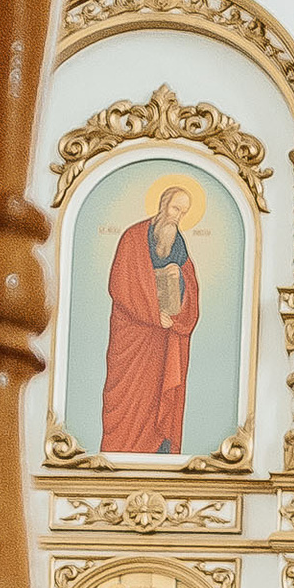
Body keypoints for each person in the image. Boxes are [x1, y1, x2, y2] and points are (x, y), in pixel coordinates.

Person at [100, 182, 202, 458]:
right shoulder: (133, 237)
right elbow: (120, 286)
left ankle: (159, 453)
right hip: (133, 335)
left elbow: (190, 287)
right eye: (174, 208)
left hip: (163, 340)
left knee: (158, 398)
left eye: (182, 213)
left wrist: (177, 295)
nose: (176, 217)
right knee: (128, 398)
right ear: (162, 205)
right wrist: (152, 314)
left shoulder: (179, 244)